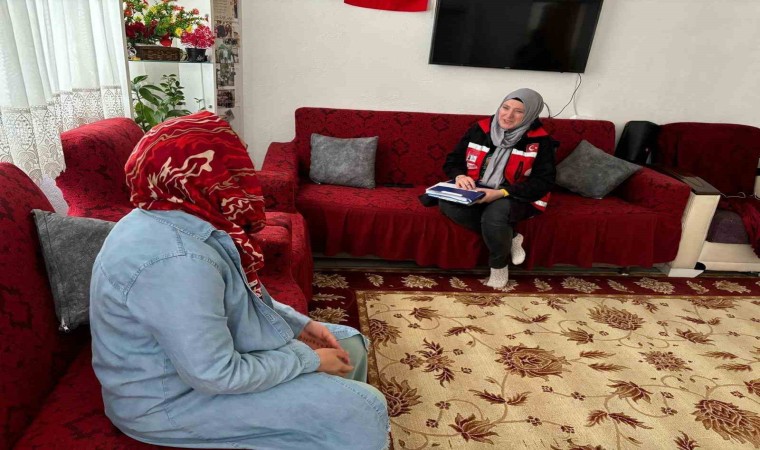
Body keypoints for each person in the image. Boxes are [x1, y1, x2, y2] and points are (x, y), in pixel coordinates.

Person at [89, 111, 389, 449]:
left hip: (195, 369)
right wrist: (310, 360)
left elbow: (246, 297)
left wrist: (303, 326)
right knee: (364, 408)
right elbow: (216, 375)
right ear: (204, 177)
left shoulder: (175, 215)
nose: (248, 179)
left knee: (348, 343)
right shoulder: (178, 260)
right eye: (235, 169)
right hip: (168, 402)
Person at [440, 88, 556, 288]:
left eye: (518, 111)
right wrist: (460, 175)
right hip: (478, 188)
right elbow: (453, 160)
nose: (508, 116)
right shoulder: (480, 129)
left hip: (515, 194)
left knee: (494, 216)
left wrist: (501, 192)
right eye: (505, 107)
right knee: (446, 204)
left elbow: (544, 181)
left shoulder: (541, 141)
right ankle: (512, 237)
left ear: (530, 114)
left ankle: (499, 267)